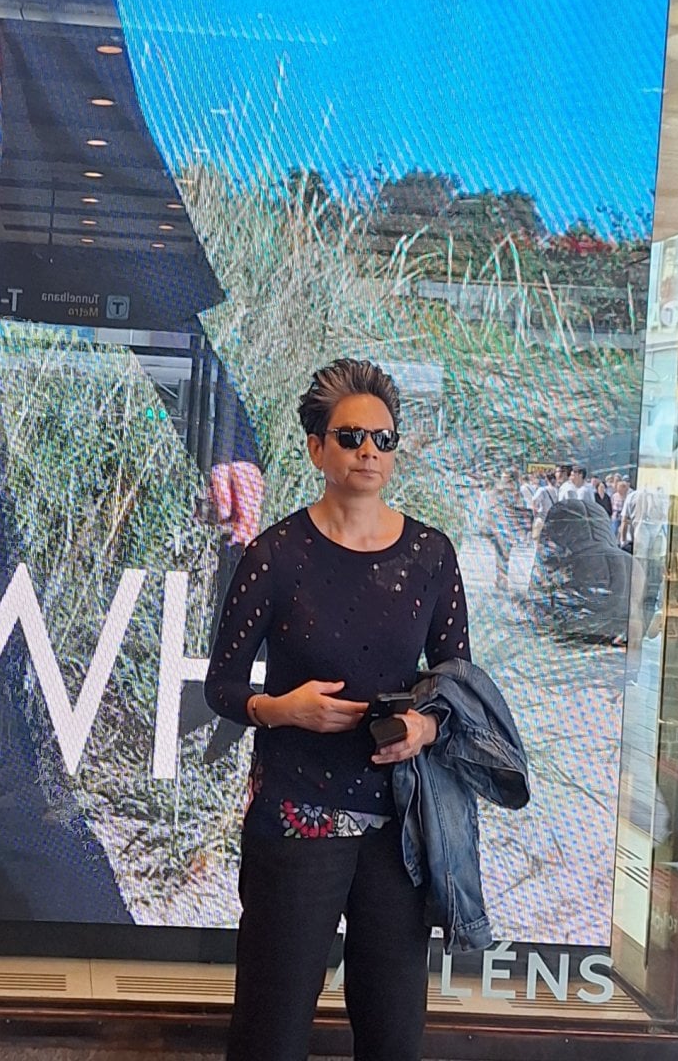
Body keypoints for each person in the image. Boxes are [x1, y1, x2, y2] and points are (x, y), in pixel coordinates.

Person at [204, 358, 470, 1061]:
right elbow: (221, 686)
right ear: (316, 448)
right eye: (351, 437)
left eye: (384, 439)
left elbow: (456, 685)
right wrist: (280, 708)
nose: (368, 452)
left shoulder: (431, 556)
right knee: (271, 1030)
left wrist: (423, 726)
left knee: (393, 1034)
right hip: (296, 816)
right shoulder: (274, 555)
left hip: (399, 827)